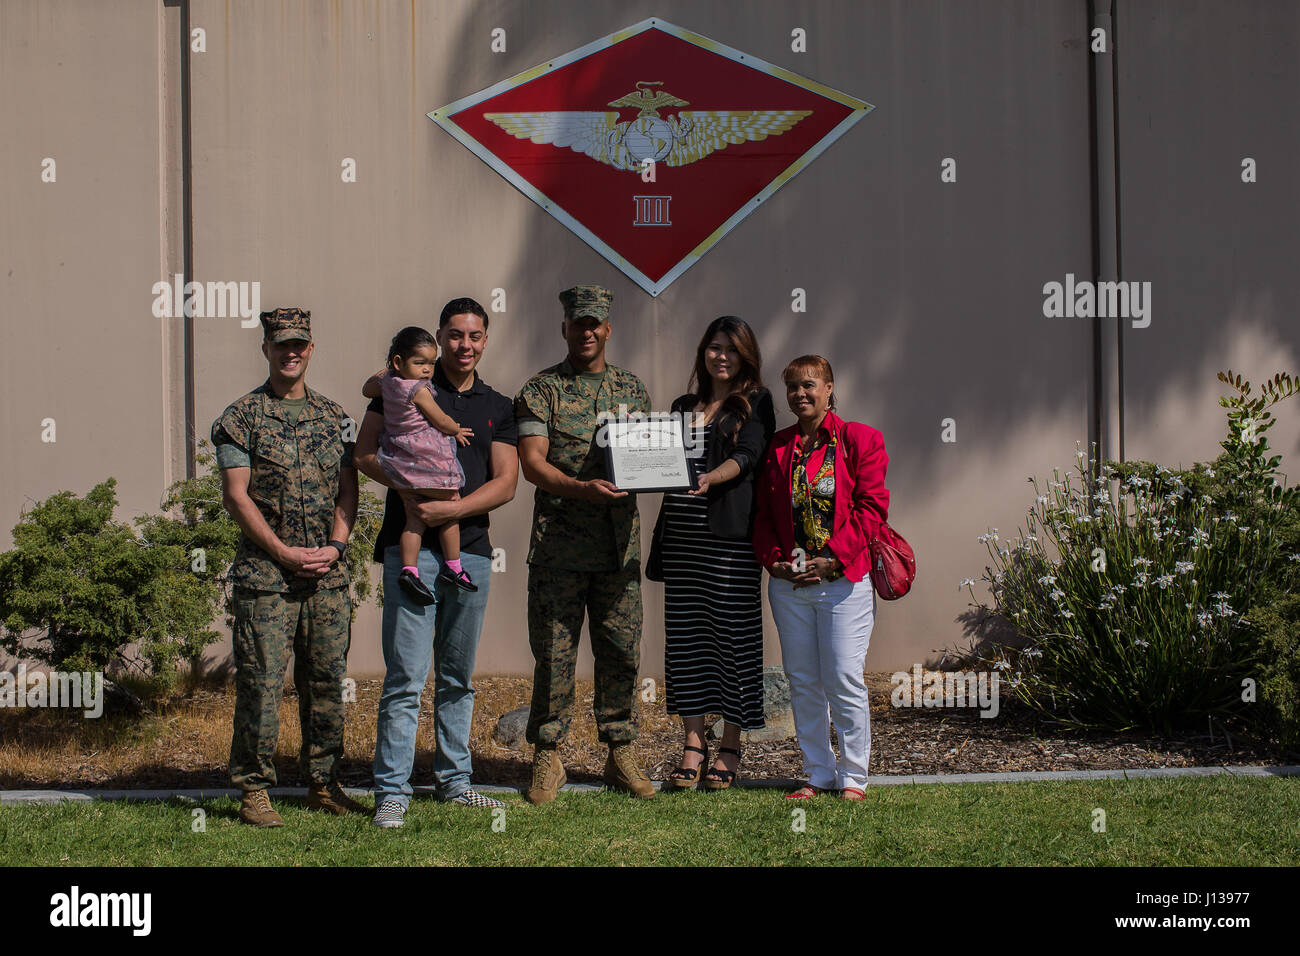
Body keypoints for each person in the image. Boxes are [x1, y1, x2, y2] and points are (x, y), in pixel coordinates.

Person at [354, 297, 518, 828]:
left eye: (473, 336)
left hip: (469, 553)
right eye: (453, 335)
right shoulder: (403, 390)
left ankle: (454, 783)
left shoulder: (498, 404)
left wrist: (452, 507)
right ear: (439, 338)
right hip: (408, 551)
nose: (463, 345)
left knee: (457, 676)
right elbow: (362, 456)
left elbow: (506, 482)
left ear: (485, 340)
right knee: (405, 676)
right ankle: (393, 792)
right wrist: (410, 488)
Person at [211, 306, 367, 827]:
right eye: (282, 344)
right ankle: (254, 789)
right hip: (266, 578)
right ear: (266, 350)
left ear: (311, 348)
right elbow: (237, 497)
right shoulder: (240, 419)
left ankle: (323, 783)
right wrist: (282, 552)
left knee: (325, 680)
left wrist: (338, 545)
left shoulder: (335, 417)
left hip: (326, 575)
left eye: (299, 343)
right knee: (261, 682)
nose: (291, 352)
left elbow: (350, 488)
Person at [514, 284, 655, 804]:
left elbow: (648, 456)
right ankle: (548, 756)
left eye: (596, 323)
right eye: (579, 323)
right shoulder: (541, 390)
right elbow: (532, 463)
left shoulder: (633, 390)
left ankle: (620, 751)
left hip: (618, 550)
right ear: (565, 328)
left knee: (621, 652)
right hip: (559, 550)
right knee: (554, 655)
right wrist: (581, 489)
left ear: (608, 329)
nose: (588, 331)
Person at [752, 354, 889, 801]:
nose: (800, 394)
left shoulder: (860, 439)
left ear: (830, 388)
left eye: (809, 384)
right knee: (803, 680)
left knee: (843, 677)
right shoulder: (777, 446)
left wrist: (832, 558)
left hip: (843, 583)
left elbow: (873, 510)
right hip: (790, 588)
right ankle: (818, 772)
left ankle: (854, 777)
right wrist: (773, 560)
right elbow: (763, 516)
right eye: (792, 386)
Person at [646, 317, 775, 790]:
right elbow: (657, 463)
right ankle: (694, 744)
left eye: (732, 350)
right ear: (704, 352)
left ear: (745, 357)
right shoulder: (682, 406)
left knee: (733, 640)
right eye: (714, 347)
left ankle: (731, 747)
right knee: (686, 643)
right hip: (681, 543)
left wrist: (711, 477)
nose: (721, 356)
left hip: (728, 541)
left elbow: (749, 456)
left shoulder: (755, 401)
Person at [361, 327, 476, 604]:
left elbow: (366, 389)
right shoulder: (418, 389)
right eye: (419, 362)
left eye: (431, 363)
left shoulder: (388, 382)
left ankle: (409, 569)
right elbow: (440, 419)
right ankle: (454, 566)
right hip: (426, 458)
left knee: (414, 519)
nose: (427, 370)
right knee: (450, 504)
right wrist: (456, 430)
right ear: (399, 361)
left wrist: (386, 373)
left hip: (400, 456)